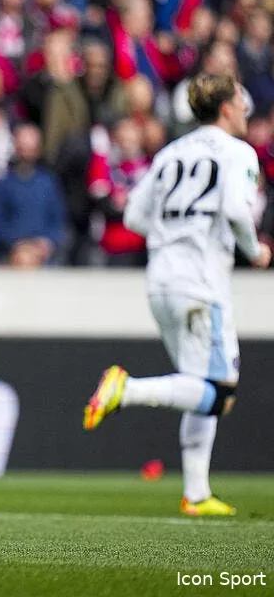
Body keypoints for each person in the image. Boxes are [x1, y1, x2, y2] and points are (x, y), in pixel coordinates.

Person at [84, 72, 271, 517]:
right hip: (202, 281)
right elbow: (233, 209)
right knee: (219, 393)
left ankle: (196, 492)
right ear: (226, 108)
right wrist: (255, 250)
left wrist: (172, 234)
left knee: (196, 383)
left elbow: (132, 215)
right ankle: (125, 390)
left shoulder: (170, 153)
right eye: (241, 103)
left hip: (161, 280)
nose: (246, 110)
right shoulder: (237, 152)